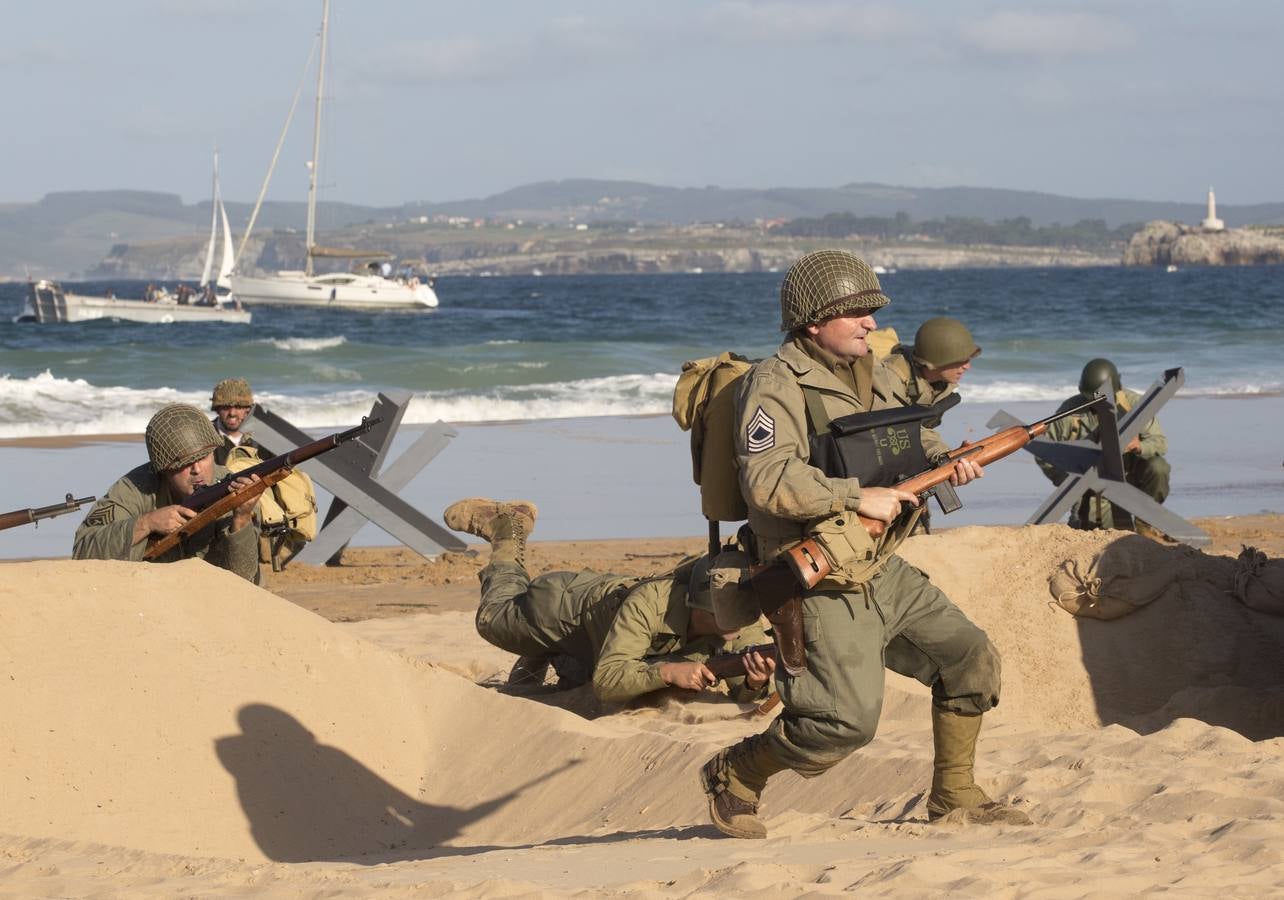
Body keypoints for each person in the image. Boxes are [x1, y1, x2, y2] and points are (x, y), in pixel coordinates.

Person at [699, 249, 1029, 839]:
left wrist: (947, 461)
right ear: (813, 322)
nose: (872, 324)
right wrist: (855, 497)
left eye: (872, 312)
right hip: (816, 574)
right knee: (843, 724)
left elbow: (906, 437)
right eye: (857, 314)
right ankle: (738, 772)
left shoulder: (871, 371)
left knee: (970, 658)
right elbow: (768, 480)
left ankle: (954, 795)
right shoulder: (774, 386)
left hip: (876, 563)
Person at [442, 498, 776, 705]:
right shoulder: (651, 604)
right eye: (728, 613)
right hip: (562, 609)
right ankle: (508, 529)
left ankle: (542, 655)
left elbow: (742, 691)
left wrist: (753, 681)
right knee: (492, 619)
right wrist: (669, 672)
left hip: (599, 639)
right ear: (700, 604)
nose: (742, 622)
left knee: (577, 678)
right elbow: (608, 681)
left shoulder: (739, 621)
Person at [73, 403, 261, 583]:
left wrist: (241, 520)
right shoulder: (135, 488)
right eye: (184, 464)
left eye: (204, 457)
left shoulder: (234, 489)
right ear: (163, 469)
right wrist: (146, 523)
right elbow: (83, 550)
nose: (197, 469)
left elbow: (245, 579)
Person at [1038, 358, 1171, 535]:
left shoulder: (1134, 405)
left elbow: (1160, 443)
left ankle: (1144, 522)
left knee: (1158, 467)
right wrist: (1068, 480)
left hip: (1131, 474)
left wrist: (1138, 446)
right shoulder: (1070, 411)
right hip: (1092, 483)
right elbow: (1044, 452)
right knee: (1095, 531)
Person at [881, 317, 983, 532]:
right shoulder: (888, 379)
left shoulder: (937, 380)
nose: (967, 366)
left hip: (904, 458)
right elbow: (902, 429)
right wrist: (942, 455)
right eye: (960, 360)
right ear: (934, 362)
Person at [210, 378, 260, 466]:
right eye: (226, 407)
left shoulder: (262, 437)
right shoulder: (205, 437)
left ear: (247, 409)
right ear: (217, 409)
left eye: (238, 407)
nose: (232, 413)